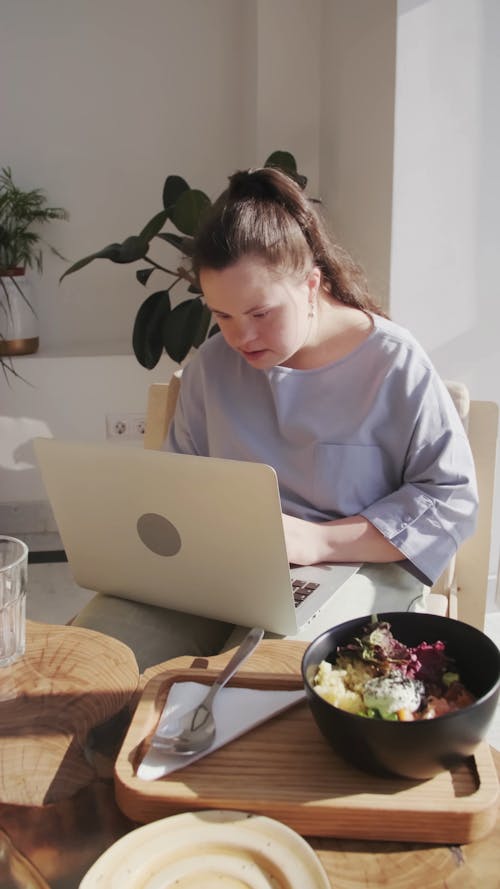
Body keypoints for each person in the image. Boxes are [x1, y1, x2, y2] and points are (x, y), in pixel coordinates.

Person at [74, 166, 478, 668]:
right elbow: (177, 487)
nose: (241, 337)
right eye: (222, 315)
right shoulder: (213, 367)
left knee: (257, 681)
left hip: (350, 570)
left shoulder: (393, 363)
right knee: (93, 659)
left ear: (311, 286)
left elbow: (450, 499)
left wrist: (318, 540)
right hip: (222, 571)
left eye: (260, 313)